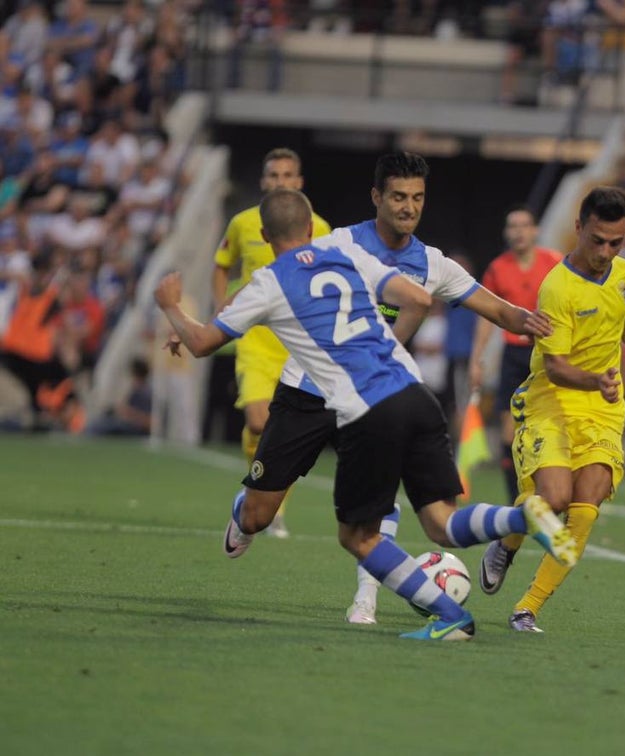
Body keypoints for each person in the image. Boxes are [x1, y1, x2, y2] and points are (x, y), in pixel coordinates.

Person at [155, 189, 577, 641]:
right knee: (442, 524)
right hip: (414, 393)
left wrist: (171, 306)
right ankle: (524, 516)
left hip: (366, 409)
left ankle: (446, 616)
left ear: (263, 234)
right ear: (310, 229)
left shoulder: (271, 281)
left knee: (358, 536)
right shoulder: (345, 255)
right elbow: (416, 299)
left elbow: (202, 343)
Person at [480, 186, 625, 632]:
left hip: (602, 409)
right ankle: (506, 542)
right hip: (551, 400)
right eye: (598, 240)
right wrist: (597, 379)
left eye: (616, 243)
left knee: (585, 507)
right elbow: (559, 367)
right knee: (554, 500)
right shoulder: (557, 287)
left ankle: (527, 608)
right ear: (579, 228)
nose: (605, 252)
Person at [212, 147, 332, 538]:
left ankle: (272, 505)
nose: (280, 182)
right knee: (259, 421)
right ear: (263, 181)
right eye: (273, 175)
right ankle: (259, 492)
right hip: (258, 341)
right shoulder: (243, 223)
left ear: (299, 182)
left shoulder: (323, 229)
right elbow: (222, 265)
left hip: (300, 346)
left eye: (287, 176)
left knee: (289, 434)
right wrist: (221, 310)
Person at [469, 204, 562, 504]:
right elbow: (485, 314)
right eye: (512, 226)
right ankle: (517, 503)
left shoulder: (554, 263)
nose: (518, 231)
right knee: (509, 435)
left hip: (546, 355)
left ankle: (553, 494)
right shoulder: (498, 268)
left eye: (524, 225)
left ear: (535, 231)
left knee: (552, 431)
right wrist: (477, 359)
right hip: (513, 355)